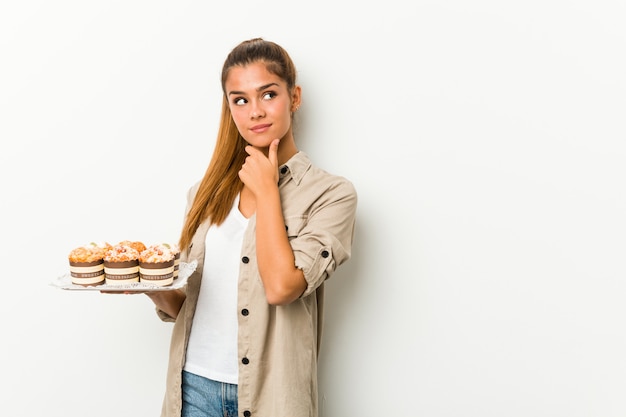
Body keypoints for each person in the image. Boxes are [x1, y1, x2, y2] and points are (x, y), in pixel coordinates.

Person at [146, 38, 357, 417]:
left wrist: (267, 191)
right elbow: (189, 307)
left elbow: (282, 287)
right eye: (240, 100)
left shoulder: (331, 194)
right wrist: (150, 285)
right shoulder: (204, 194)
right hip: (193, 389)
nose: (255, 112)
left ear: (294, 97)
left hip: (271, 396)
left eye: (268, 94)